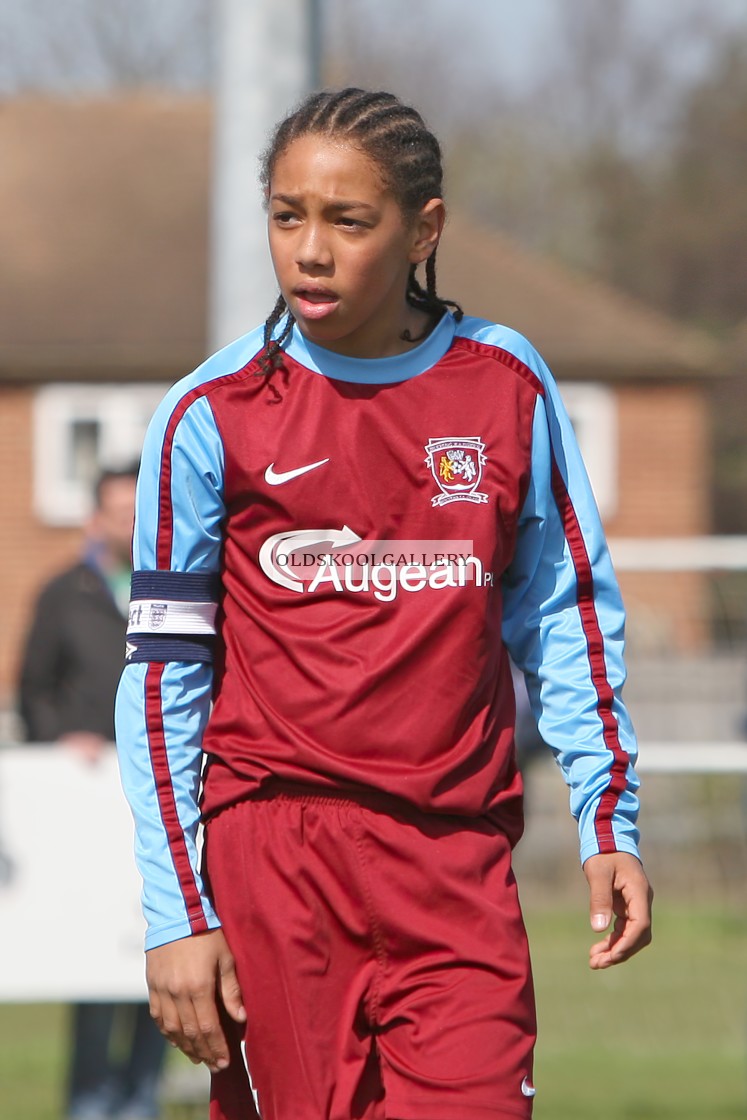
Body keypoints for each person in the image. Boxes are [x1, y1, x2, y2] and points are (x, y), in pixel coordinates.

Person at [115, 88, 653, 1120]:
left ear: (425, 230)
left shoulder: (505, 385)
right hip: (276, 855)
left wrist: (608, 816)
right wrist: (179, 910)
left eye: (347, 221)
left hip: (456, 861)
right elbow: (163, 687)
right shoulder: (208, 414)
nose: (308, 250)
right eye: (286, 216)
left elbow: (567, 616)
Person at [19, 466, 168, 1120]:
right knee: (97, 971)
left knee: (161, 964)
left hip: (160, 809)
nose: (129, 524)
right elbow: (33, 691)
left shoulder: (177, 591)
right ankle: (90, 1106)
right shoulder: (63, 594)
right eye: (118, 511)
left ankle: (140, 1102)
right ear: (93, 518)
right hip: (87, 815)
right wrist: (63, 738)